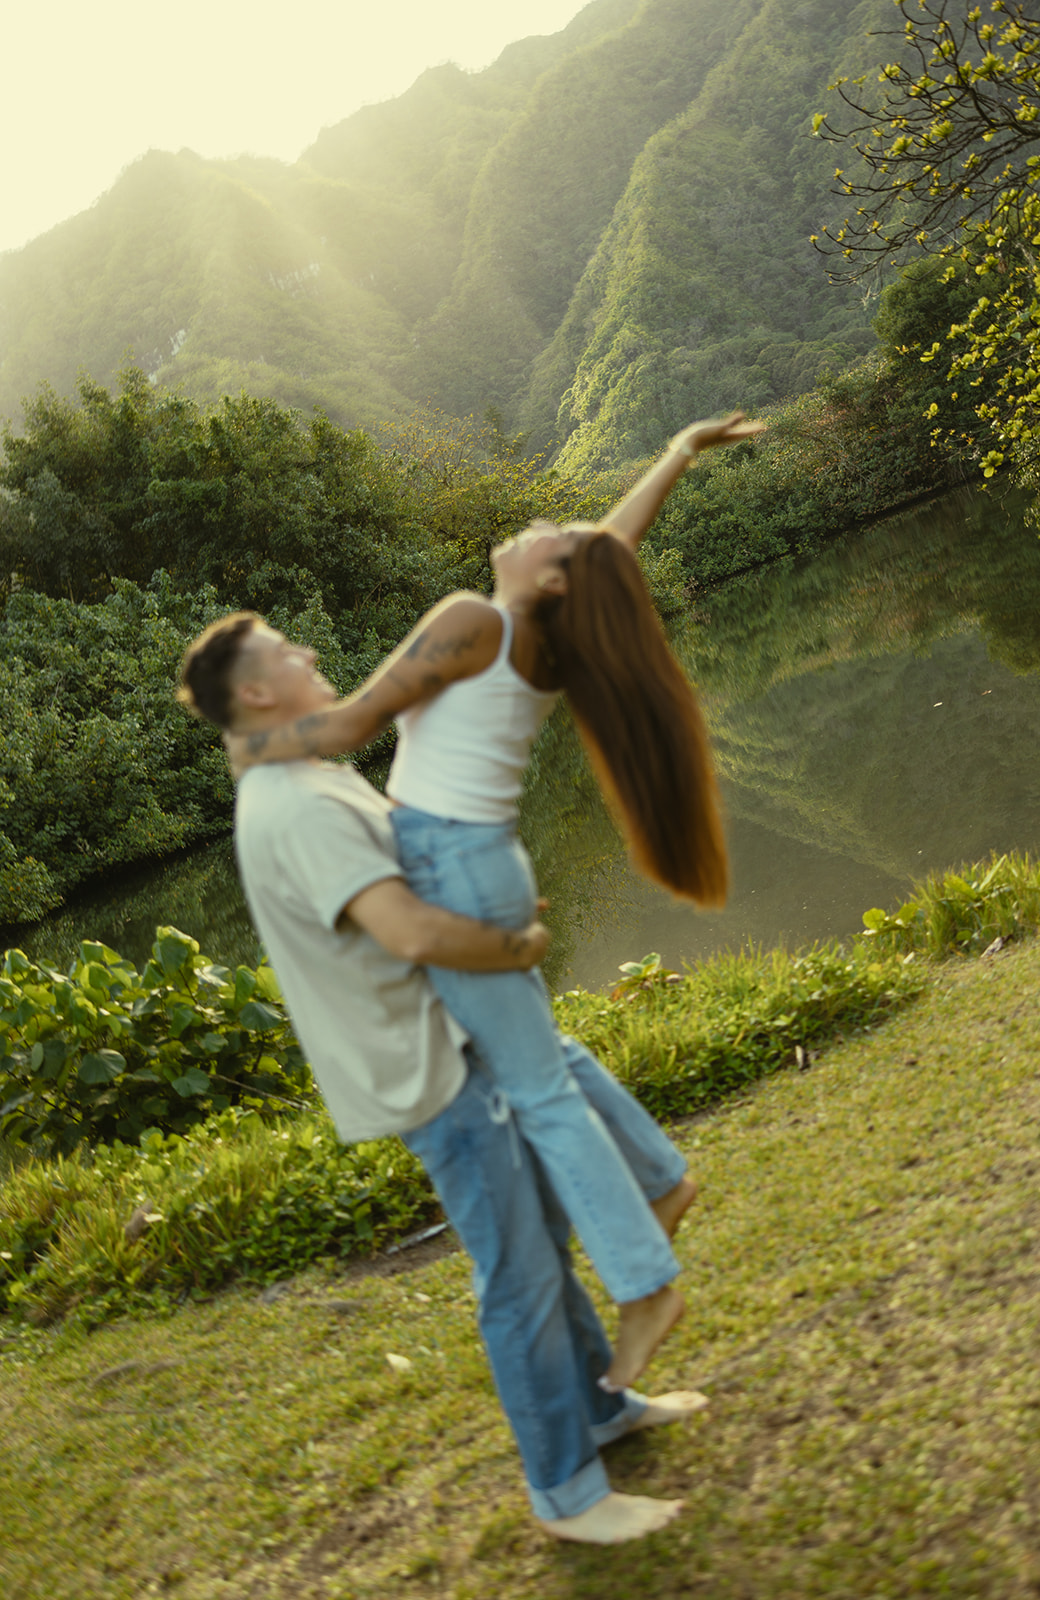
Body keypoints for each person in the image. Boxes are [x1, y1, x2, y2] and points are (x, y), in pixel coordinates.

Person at [227, 413, 763, 1390]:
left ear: (550, 579)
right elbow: (608, 549)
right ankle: (659, 1180)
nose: (540, 526)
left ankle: (644, 1285)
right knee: (544, 1053)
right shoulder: (544, 633)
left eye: (552, 537)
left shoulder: (471, 620)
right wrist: (676, 452)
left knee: (536, 1088)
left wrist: (243, 747)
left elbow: (346, 724)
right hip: (480, 856)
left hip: (447, 863)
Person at [177, 613, 709, 1545]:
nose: (309, 652)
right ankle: (567, 1495)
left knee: (539, 1244)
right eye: (286, 653)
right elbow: (410, 933)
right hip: (431, 1069)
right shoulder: (294, 803)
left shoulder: (305, 772)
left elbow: (420, 890)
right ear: (256, 693)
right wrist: (516, 943)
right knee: (520, 1278)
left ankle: (601, 1412)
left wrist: (489, 904)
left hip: (457, 1043)